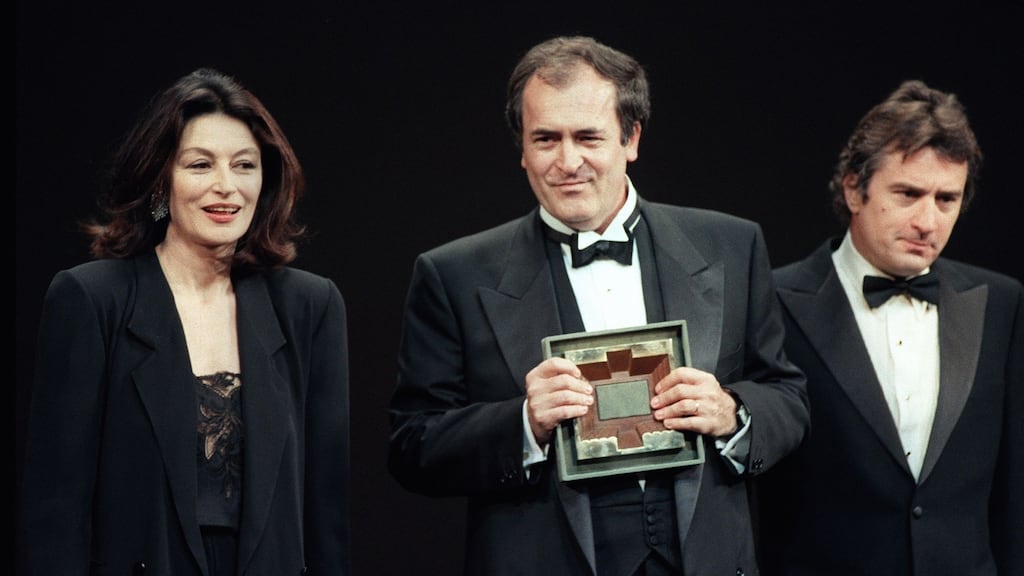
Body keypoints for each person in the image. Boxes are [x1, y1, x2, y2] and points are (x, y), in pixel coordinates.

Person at [387, 35, 808, 576]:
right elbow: (411, 446)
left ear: (631, 137)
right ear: (521, 148)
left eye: (588, 137)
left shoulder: (731, 245)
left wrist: (732, 413)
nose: (567, 162)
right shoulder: (454, 274)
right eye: (545, 139)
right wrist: (521, 423)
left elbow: (787, 397)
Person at [18, 68, 351, 575]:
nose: (226, 187)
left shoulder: (310, 305)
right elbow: (56, 513)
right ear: (159, 180)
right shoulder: (92, 299)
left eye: (245, 165)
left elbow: (326, 511)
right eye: (200, 165)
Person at [758, 80, 1023, 576]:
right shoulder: (771, 301)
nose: (928, 220)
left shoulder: (1001, 303)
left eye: (947, 200)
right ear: (854, 189)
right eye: (908, 193)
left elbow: (1014, 484)